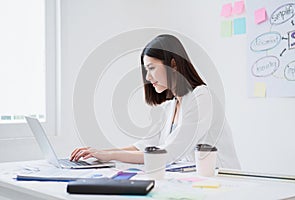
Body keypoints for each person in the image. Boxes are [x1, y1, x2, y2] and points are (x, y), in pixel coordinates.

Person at [70, 34, 240, 169]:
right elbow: (144, 146)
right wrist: (98, 152)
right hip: (194, 180)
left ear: (173, 65)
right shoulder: (170, 106)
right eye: (146, 70)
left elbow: (166, 154)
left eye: (151, 68)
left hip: (222, 181)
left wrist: (110, 156)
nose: (148, 77)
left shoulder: (202, 97)